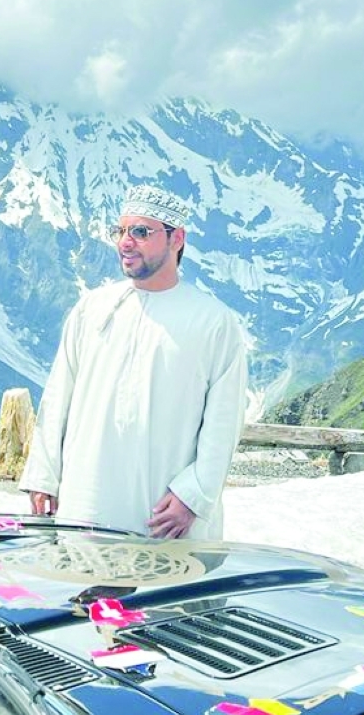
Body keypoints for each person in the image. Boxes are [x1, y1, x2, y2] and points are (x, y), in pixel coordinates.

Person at [20, 185, 248, 540]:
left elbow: (224, 422)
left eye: (141, 232)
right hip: (86, 504)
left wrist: (192, 496)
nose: (126, 242)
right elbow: (57, 398)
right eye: (121, 231)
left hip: (166, 518)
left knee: (167, 594)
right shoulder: (92, 309)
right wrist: (44, 477)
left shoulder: (214, 322)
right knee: (83, 590)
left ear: (177, 239)